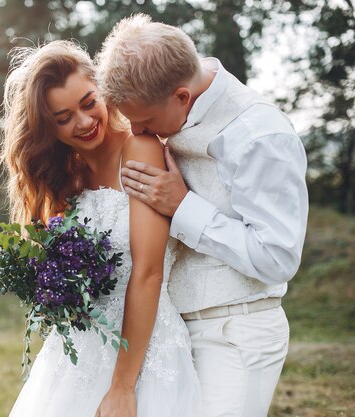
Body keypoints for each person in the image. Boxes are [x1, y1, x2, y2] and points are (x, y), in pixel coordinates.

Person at [96, 14, 309, 417]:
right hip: (173, 333)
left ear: (181, 96)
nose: (137, 129)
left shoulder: (260, 135)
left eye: (144, 118)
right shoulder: (170, 88)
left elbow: (279, 258)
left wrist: (183, 208)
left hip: (235, 333)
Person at [0, 40, 202, 417]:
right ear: (48, 126)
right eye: (63, 118)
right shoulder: (64, 180)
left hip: (143, 349)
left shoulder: (140, 149)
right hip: (77, 349)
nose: (84, 122)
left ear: (103, 89)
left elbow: (147, 272)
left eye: (89, 102)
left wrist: (122, 388)